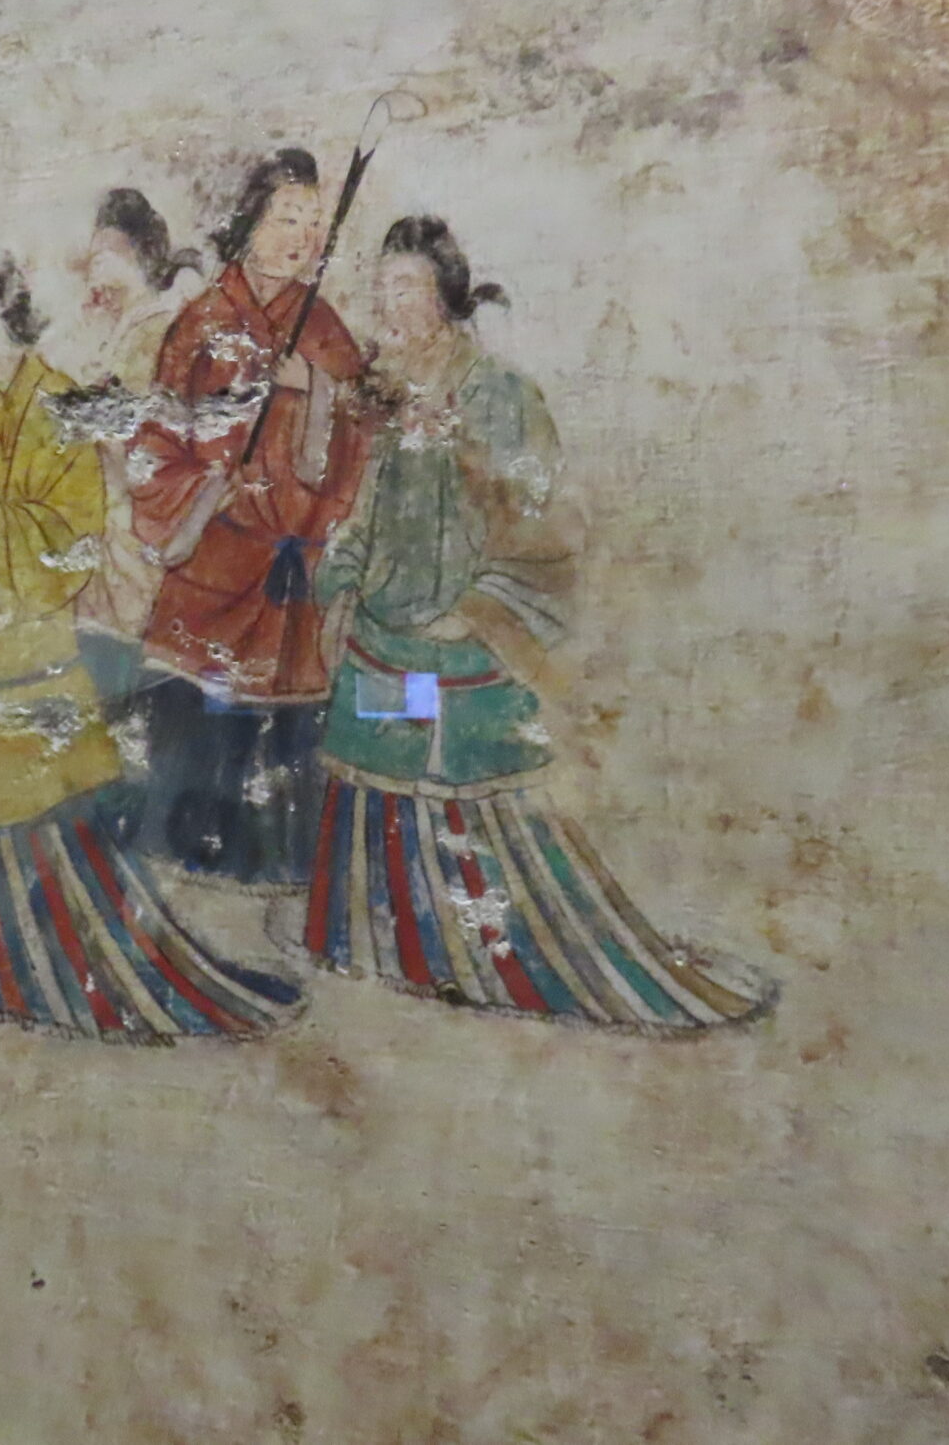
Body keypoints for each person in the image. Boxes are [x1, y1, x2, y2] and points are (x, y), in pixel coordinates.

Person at [298, 218, 774, 1031]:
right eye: (382, 289)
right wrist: (340, 582)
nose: (389, 304)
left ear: (445, 297)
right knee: (378, 777)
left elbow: (540, 519)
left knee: (463, 790)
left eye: (405, 287)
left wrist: (471, 606)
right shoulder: (387, 395)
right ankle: (393, 945)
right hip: (382, 635)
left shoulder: (501, 396)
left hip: (456, 644)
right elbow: (367, 512)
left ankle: (489, 953)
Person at [0, 254, 302, 1041]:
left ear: (12, 317)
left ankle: (31, 965)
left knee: (37, 810)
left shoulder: (59, 405)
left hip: (24, 649)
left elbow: (72, 534)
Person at [123, 149, 375, 887]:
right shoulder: (202, 325)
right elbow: (154, 445)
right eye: (287, 218)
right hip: (212, 565)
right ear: (250, 223)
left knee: (284, 750)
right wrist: (207, 491)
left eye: (312, 223)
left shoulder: (323, 329)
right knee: (194, 732)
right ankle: (177, 880)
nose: (302, 237)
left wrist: (316, 386)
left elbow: (361, 434)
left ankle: (275, 883)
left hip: (289, 579)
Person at [62, 189, 205, 717]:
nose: (94, 268)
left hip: (143, 515)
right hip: (109, 514)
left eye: (104, 254)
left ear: (135, 254)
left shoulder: (158, 325)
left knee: (129, 661)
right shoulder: (123, 325)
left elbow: (146, 428)